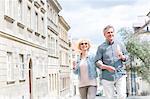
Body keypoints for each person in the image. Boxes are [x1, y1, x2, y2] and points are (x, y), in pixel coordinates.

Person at [95, 25, 129, 99]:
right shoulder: (101, 47)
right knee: (109, 97)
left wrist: (123, 57)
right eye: (108, 33)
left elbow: (127, 56)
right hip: (107, 77)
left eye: (111, 32)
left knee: (122, 96)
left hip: (120, 74)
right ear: (104, 35)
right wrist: (106, 67)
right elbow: (97, 62)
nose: (110, 34)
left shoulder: (120, 44)